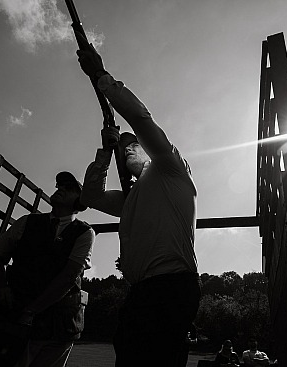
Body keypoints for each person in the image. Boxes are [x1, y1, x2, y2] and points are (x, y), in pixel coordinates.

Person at [75, 33, 201, 366]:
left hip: (171, 287)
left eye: (133, 146)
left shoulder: (172, 170)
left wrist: (102, 78)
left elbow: (140, 121)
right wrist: (105, 150)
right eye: (124, 146)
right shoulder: (134, 197)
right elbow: (90, 196)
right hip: (142, 290)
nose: (127, 150)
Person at [0, 171, 94, 367]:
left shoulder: (85, 232)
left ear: (80, 201)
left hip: (59, 326)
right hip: (18, 320)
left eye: (68, 188)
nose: (59, 189)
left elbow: (70, 275)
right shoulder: (27, 221)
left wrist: (32, 310)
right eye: (59, 185)